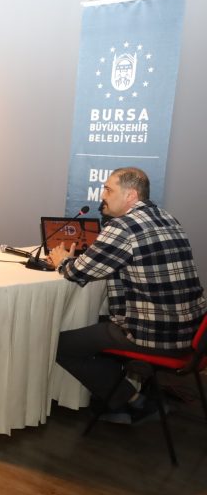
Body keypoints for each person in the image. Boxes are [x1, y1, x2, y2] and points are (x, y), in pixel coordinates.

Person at [49, 167, 206, 423]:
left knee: (57, 345)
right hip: (190, 335)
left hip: (154, 335)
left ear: (131, 195)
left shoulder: (123, 226)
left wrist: (61, 260)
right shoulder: (167, 218)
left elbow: (78, 272)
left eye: (109, 189)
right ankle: (122, 395)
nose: (103, 196)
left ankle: (131, 400)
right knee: (97, 325)